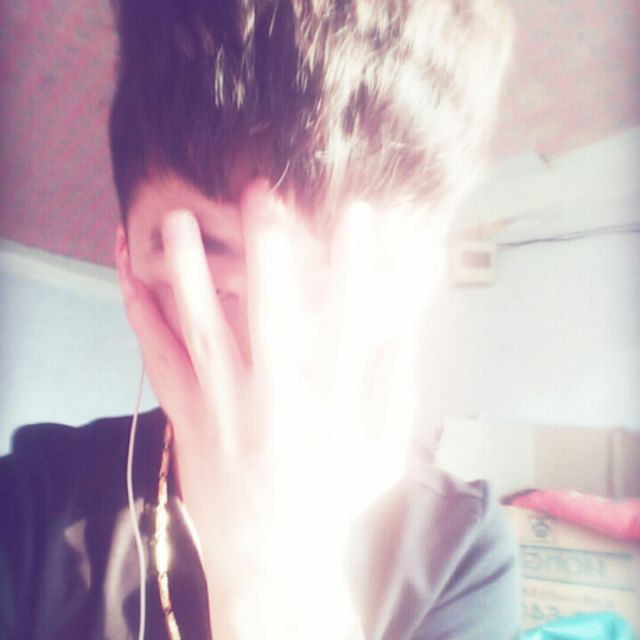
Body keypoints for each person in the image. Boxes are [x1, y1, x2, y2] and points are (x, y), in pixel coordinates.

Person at [0, 0, 521, 638]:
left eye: (347, 275)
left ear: (421, 285)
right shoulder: (25, 511)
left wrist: (275, 571)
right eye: (207, 261)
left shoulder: (461, 554)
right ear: (127, 253)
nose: (278, 343)